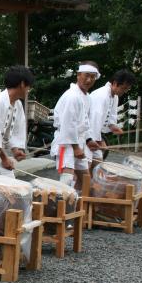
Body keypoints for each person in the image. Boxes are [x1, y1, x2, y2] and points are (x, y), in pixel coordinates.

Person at [50, 62, 101, 191]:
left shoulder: (87, 97)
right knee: (67, 177)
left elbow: (85, 123)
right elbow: (68, 124)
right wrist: (76, 147)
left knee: (85, 180)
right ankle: (61, 208)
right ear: (78, 75)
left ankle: (78, 206)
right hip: (65, 143)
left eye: (93, 77)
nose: (89, 80)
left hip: (78, 142)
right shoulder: (72, 96)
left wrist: (89, 140)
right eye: (86, 75)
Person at [88, 69, 136, 167]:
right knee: (86, 167)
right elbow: (94, 121)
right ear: (115, 83)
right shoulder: (102, 95)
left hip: (93, 134)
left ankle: (88, 181)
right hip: (86, 135)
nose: (125, 91)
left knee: (97, 163)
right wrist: (99, 141)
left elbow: (112, 116)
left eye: (127, 89)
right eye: (124, 88)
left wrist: (113, 126)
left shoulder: (115, 96)